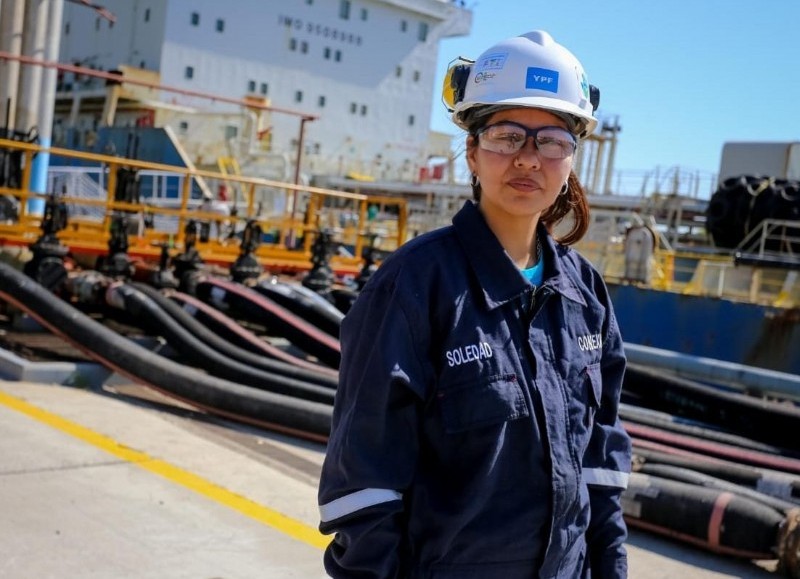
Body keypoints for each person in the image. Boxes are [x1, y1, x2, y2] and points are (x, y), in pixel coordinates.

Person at [318, 29, 632, 579]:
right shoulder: (415, 287)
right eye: (508, 136)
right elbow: (362, 486)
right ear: (472, 149)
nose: (530, 160)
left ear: (572, 159)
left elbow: (600, 470)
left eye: (553, 140)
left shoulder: (585, 295)